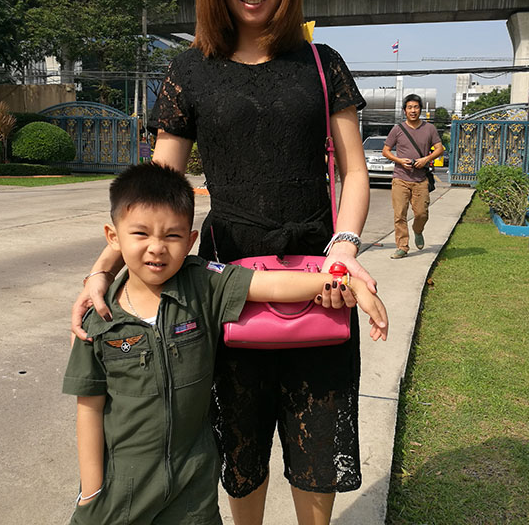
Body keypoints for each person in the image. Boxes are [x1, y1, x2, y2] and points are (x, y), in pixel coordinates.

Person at [71, 0, 376, 523]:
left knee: (317, 448)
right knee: (242, 450)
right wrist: (102, 268)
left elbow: (355, 174)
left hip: (320, 276)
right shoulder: (192, 69)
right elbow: (153, 196)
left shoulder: (321, 63)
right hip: (223, 287)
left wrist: (344, 248)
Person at [63, 163, 388, 524]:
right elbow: (89, 406)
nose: (156, 248)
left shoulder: (204, 283)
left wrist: (347, 283)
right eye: (140, 233)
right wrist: (92, 491)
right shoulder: (100, 317)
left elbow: (272, 287)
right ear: (113, 237)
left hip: (193, 492)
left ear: (190, 240)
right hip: (120, 494)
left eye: (172, 236)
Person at [381, 94, 445, 259]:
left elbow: (439, 148)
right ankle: (402, 246)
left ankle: (418, 231)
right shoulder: (398, 129)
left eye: (416, 107)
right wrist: (399, 160)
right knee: (399, 215)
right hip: (400, 178)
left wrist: (426, 159)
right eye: (409, 107)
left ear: (420, 109)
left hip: (420, 180)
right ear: (404, 111)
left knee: (421, 214)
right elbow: (386, 151)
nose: (413, 110)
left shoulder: (429, 129)